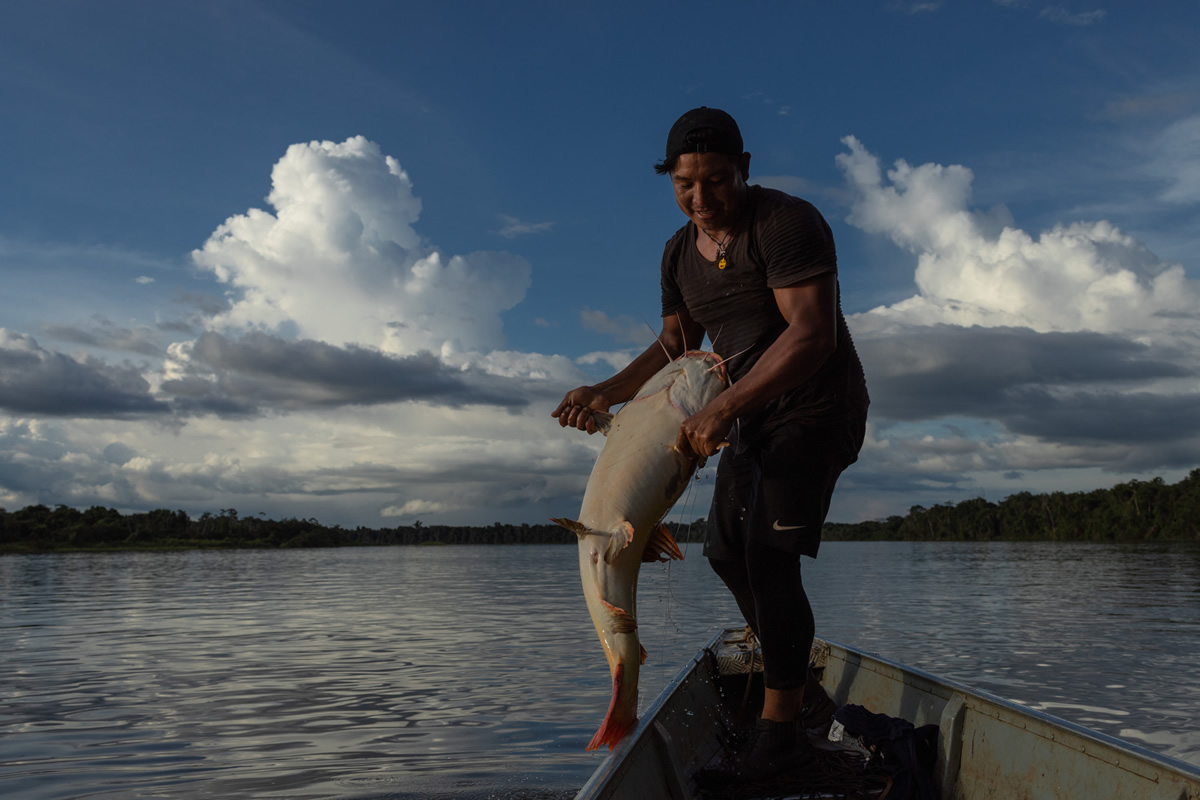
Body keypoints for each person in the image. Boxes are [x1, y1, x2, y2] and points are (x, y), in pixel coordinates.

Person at [553, 107, 869, 781]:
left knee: (769, 555)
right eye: (685, 184)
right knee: (727, 552)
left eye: (716, 181)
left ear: (743, 171)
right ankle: (797, 687)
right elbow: (677, 345)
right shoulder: (678, 251)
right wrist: (607, 392)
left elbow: (813, 335)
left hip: (815, 406)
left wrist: (725, 404)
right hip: (742, 417)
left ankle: (780, 730)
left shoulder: (784, 223)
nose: (701, 198)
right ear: (671, 179)